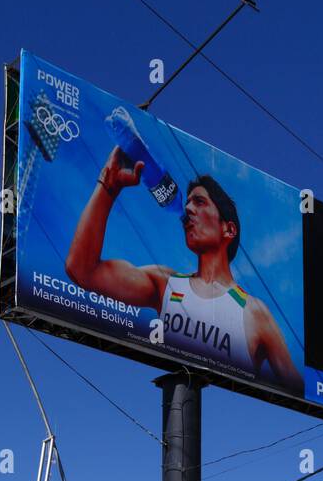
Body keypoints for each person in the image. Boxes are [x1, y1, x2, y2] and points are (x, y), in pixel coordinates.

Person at [66, 153, 303, 387]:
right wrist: (108, 186)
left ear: (228, 229)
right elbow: (82, 271)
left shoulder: (254, 313)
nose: (187, 209)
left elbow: (300, 391)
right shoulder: (165, 283)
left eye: (199, 202)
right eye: (188, 202)